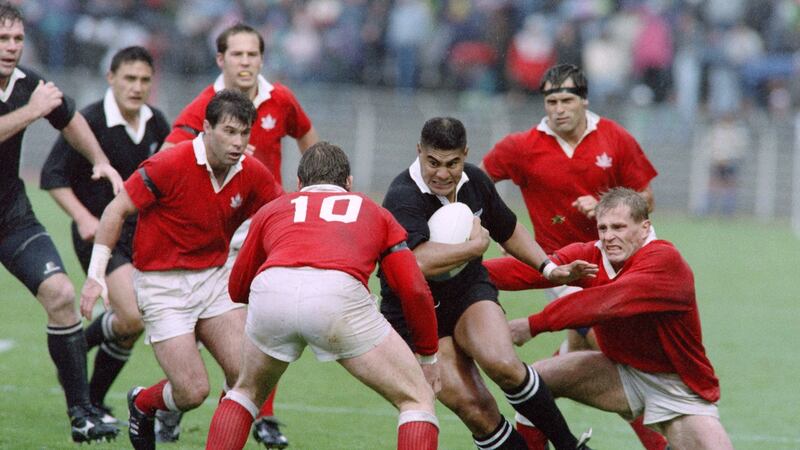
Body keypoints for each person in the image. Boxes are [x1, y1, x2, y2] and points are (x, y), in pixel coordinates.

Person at [79, 89, 283, 450]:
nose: (238, 143)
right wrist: (96, 275)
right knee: (192, 391)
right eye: (229, 132)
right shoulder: (168, 164)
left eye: (244, 133)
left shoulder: (250, 171)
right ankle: (142, 403)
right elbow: (116, 210)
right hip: (162, 287)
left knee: (247, 377)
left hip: (215, 280)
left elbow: (282, 215)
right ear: (206, 127)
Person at [206, 142, 442, 450]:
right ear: (349, 183)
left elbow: (238, 287)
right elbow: (414, 289)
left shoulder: (274, 208)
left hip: (272, 288)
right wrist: (427, 355)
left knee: (246, 392)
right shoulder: (373, 210)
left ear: (300, 184)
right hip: (337, 295)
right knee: (417, 398)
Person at [380, 117, 596, 450]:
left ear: (465, 154)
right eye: (433, 162)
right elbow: (417, 262)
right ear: (419, 151)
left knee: (504, 364)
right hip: (414, 310)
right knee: (475, 407)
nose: (441, 173)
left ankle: (569, 446)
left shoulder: (475, 181)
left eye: (452, 163)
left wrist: (549, 268)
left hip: (467, 291)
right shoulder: (402, 196)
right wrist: (473, 247)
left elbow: (507, 229)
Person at [481, 63, 663, 449]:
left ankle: (533, 430)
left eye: (566, 100)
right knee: (614, 351)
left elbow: (645, 198)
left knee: (555, 371)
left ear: (584, 101)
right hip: (564, 270)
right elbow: (476, 184)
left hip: (620, 265)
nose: (558, 109)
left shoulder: (615, 139)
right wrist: (503, 229)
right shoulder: (522, 146)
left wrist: (603, 205)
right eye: (551, 101)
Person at [161, 23, 318, 446]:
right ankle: (177, 398)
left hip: (266, 231)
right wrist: (210, 148)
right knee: (198, 324)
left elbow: (307, 136)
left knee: (265, 322)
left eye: (252, 55)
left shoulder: (280, 99)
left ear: (262, 59)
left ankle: (261, 414)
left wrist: (313, 185)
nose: (245, 62)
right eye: (237, 55)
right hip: (213, 235)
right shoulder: (204, 107)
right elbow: (166, 153)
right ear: (221, 60)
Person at [484, 188, 734, 450]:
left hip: (677, 387)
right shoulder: (591, 255)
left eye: (619, 227)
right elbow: (534, 270)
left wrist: (532, 325)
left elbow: (606, 302)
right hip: (620, 372)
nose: (609, 236)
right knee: (534, 384)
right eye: (603, 228)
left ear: (645, 227)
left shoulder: (664, 260)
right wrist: (462, 271)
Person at [0, 3, 122, 443]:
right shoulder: (28, 98)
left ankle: (82, 413)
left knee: (61, 292)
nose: (11, 48)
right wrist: (32, 112)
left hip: (9, 214)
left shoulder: (27, 84)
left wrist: (102, 162)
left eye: (16, 39)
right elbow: (40, 111)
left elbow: (68, 118)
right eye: (2, 39)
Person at [39, 45, 170, 424]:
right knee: (131, 315)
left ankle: (92, 397)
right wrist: (82, 216)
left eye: (145, 80)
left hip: (140, 236)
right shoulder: (90, 120)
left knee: (129, 328)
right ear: (111, 78)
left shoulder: (156, 122)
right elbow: (53, 177)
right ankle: (76, 348)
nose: (137, 87)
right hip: (98, 234)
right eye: (129, 78)